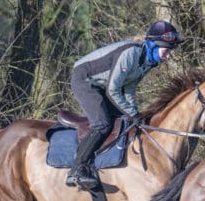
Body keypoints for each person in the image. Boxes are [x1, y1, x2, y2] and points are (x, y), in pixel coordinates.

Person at [66, 20, 182, 190]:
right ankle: (77, 170)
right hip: (85, 81)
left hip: (102, 86)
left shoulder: (146, 62)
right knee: (102, 124)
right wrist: (133, 113)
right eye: (166, 50)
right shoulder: (131, 53)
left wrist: (135, 113)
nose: (168, 56)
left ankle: (101, 165)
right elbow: (114, 90)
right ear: (153, 45)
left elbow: (129, 89)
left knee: (123, 120)